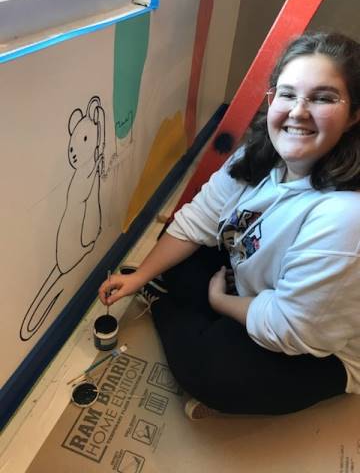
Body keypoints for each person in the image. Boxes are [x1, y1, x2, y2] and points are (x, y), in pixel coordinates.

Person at [99, 32, 360, 419]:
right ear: (271, 100)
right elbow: (197, 220)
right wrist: (140, 276)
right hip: (257, 288)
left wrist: (220, 301)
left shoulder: (345, 215)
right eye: (287, 94)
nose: (298, 111)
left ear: (355, 114)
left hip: (318, 346)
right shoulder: (260, 157)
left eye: (323, 98)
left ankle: (172, 309)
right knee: (175, 256)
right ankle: (190, 309)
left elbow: (290, 328)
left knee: (213, 371)